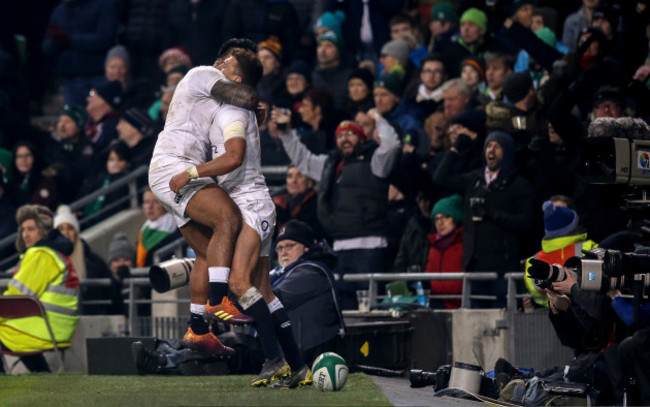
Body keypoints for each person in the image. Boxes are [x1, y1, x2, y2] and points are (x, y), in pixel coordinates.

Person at [169, 55, 313, 389]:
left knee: (238, 283)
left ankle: (272, 360)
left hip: (250, 205)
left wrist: (191, 172)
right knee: (264, 290)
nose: (216, 68)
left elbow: (233, 157)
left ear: (236, 79)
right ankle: (298, 365)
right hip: (253, 205)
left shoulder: (232, 111)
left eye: (226, 66)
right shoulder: (232, 110)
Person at [148, 47, 262, 359]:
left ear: (236, 76)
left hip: (173, 168)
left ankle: (197, 329)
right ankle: (216, 300)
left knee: (208, 250)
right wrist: (256, 104)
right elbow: (249, 99)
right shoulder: (203, 74)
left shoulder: (216, 103)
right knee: (228, 216)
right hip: (175, 166)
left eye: (228, 62)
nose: (219, 61)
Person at [275, 111, 400, 310]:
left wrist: (379, 119)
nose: (345, 139)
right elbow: (303, 160)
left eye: (350, 134)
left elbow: (392, 146)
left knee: (370, 306)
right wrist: (287, 133)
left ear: (361, 138)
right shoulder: (330, 165)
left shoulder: (375, 162)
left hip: (370, 246)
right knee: (344, 306)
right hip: (338, 247)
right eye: (341, 136)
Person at [434, 131, 535, 308]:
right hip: (475, 267)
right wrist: (454, 150)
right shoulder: (474, 180)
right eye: (489, 145)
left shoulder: (519, 185)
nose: (492, 149)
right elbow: (440, 178)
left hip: (503, 270)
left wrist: (491, 214)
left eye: (497, 146)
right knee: (476, 324)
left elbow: (526, 223)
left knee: (504, 323)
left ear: (508, 152)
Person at [0, 205, 78, 373]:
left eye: (31, 229)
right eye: (23, 230)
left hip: (47, 327)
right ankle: (42, 374)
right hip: (54, 325)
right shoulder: (53, 254)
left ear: (43, 231)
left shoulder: (41, 255)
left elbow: (15, 299)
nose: (25, 235)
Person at [269, 220, 344, 366]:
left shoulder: (312, 271)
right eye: (279, 248)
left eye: (290, 246)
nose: (284, 252)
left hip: (308, 356)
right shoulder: (276, 272)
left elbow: (274, 299)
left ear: (306, 248)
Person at [524, 201, 597, 308]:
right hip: (588, 314)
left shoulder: (532, 262)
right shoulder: (591, 248)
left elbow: (538, 296)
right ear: (574, 227)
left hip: (547, 318)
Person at [53, 204, 122, 315]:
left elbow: (112, 292)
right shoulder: (48, 260)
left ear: (76, 232)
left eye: (70, 228)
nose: (66, 233)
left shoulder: (93, 261)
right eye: (61, 229)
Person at [425, 194, 464, 309]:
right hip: (434, 304)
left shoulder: (462, 247)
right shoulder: (434, 249)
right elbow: (427, 278)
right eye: (436, 218)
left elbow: (460, 285)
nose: (440, 223)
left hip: (457, 308)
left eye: (445, 217)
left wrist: (429, 286)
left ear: (455, 218)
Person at [136, 189, 180, 268]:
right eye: (146, 202)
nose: (150, 207)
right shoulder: (144, 230)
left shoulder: (176, 229)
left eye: (156, 202)